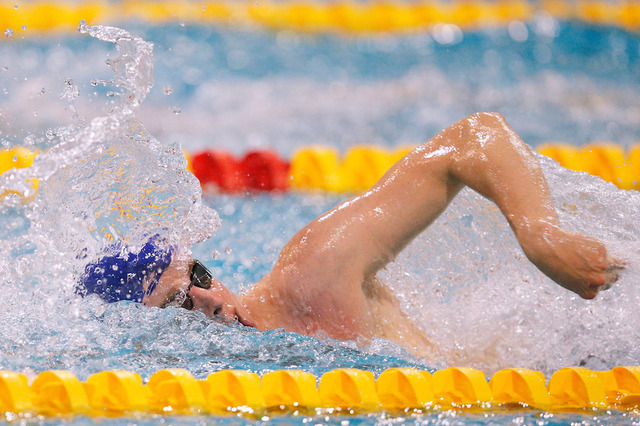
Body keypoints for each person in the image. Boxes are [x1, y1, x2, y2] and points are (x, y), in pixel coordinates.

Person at [79, 112, 623, 357]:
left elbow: (471, 138)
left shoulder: (311, 275)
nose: (209, 299)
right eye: (177, 303)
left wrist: (540, 236)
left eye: (197, 276)